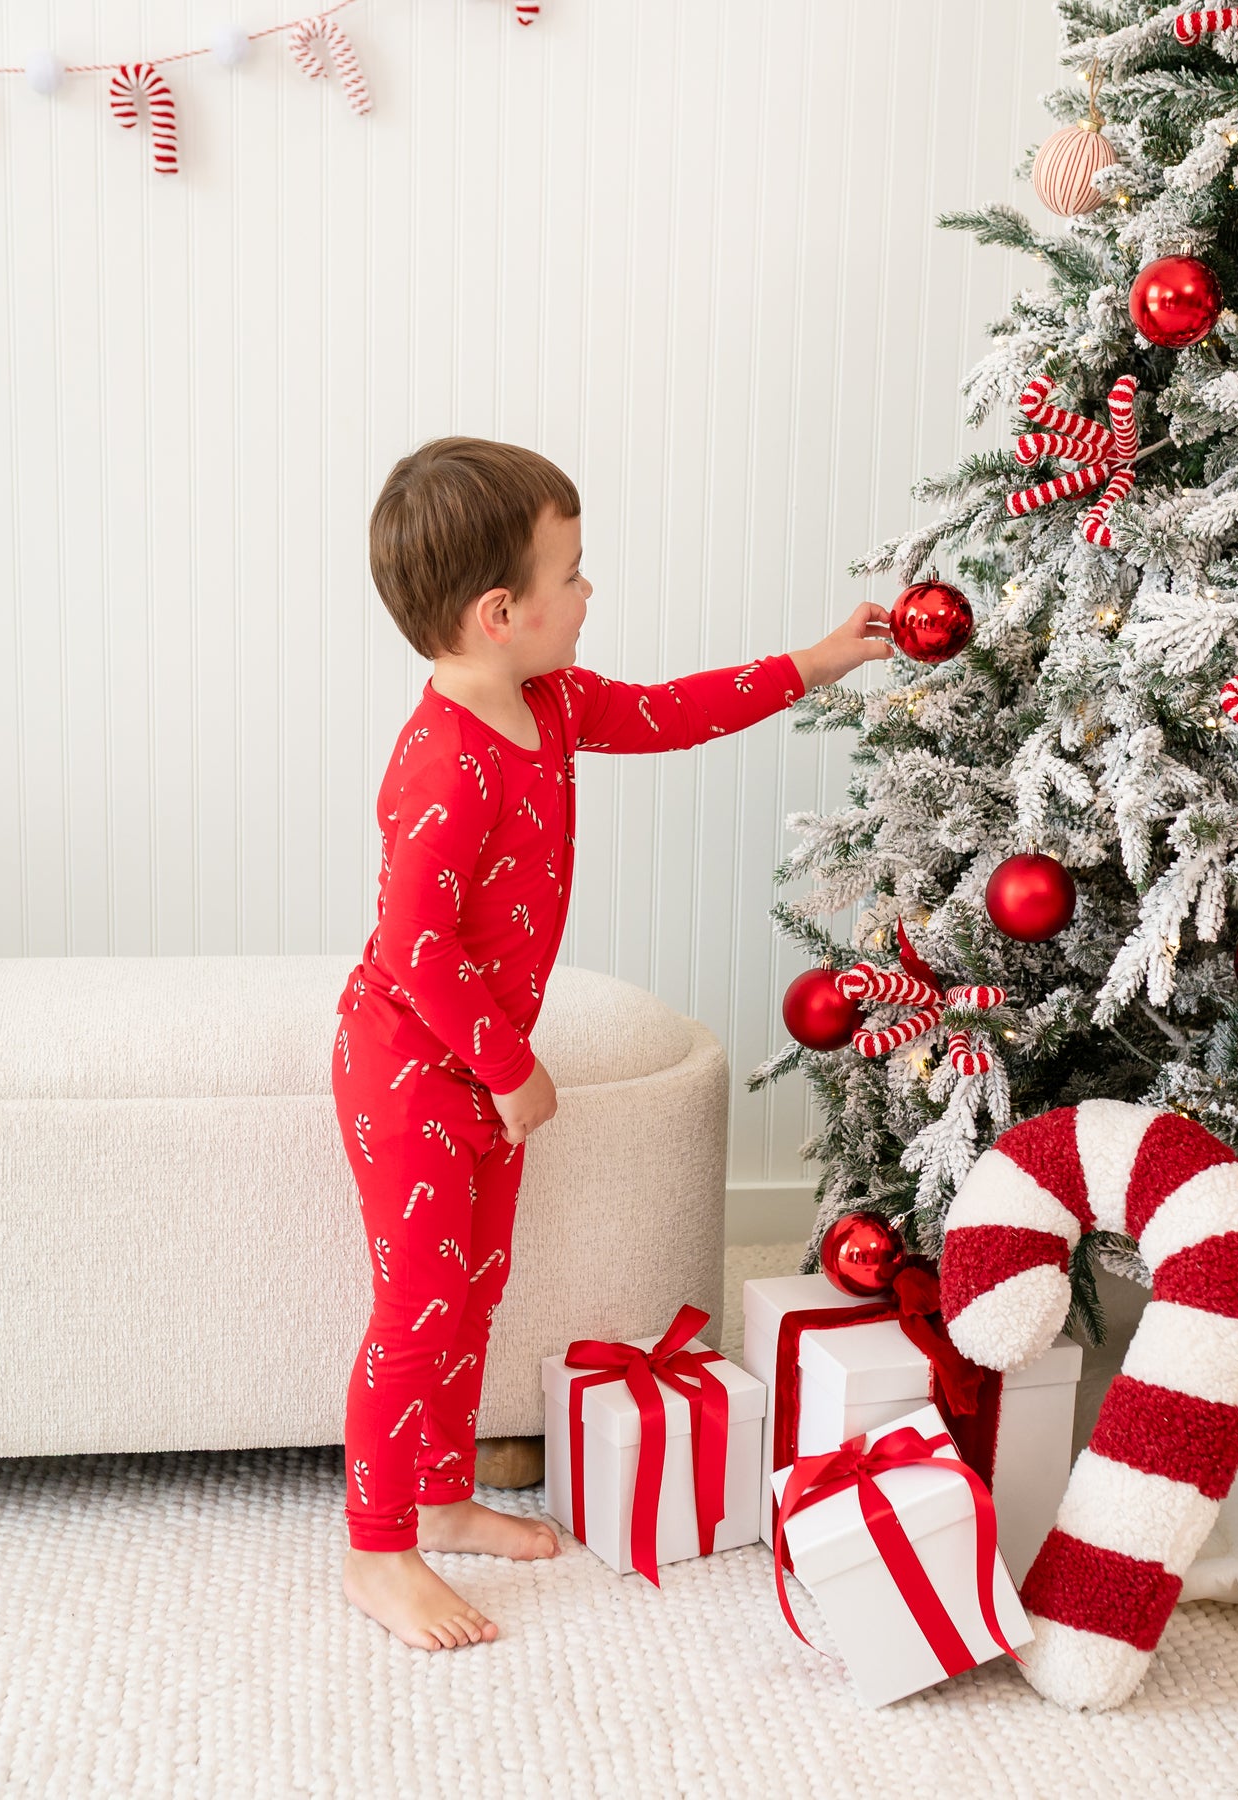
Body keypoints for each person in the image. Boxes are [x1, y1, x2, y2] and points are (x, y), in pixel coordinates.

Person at [332, 437, 894, 1648]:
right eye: (574, 574)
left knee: (474, 1291)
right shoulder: (444, 766)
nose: (591, 593)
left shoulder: (552, 702)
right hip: (413, 1065)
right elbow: (414, 943)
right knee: (421, 1301)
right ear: (502, 613)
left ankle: (436, 1498)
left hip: (473, 1065)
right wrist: (509, 1066)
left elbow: (670, 711)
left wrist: (821, 660)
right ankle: (377, 1549)